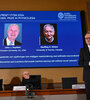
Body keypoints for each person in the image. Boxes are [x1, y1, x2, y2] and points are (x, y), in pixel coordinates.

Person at [79, 31, 90, 100]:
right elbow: (80, 62)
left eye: (89, 38)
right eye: (86, 38)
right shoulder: (83, 50)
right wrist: (88, 64)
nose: (88, 40)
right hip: (88, 77)